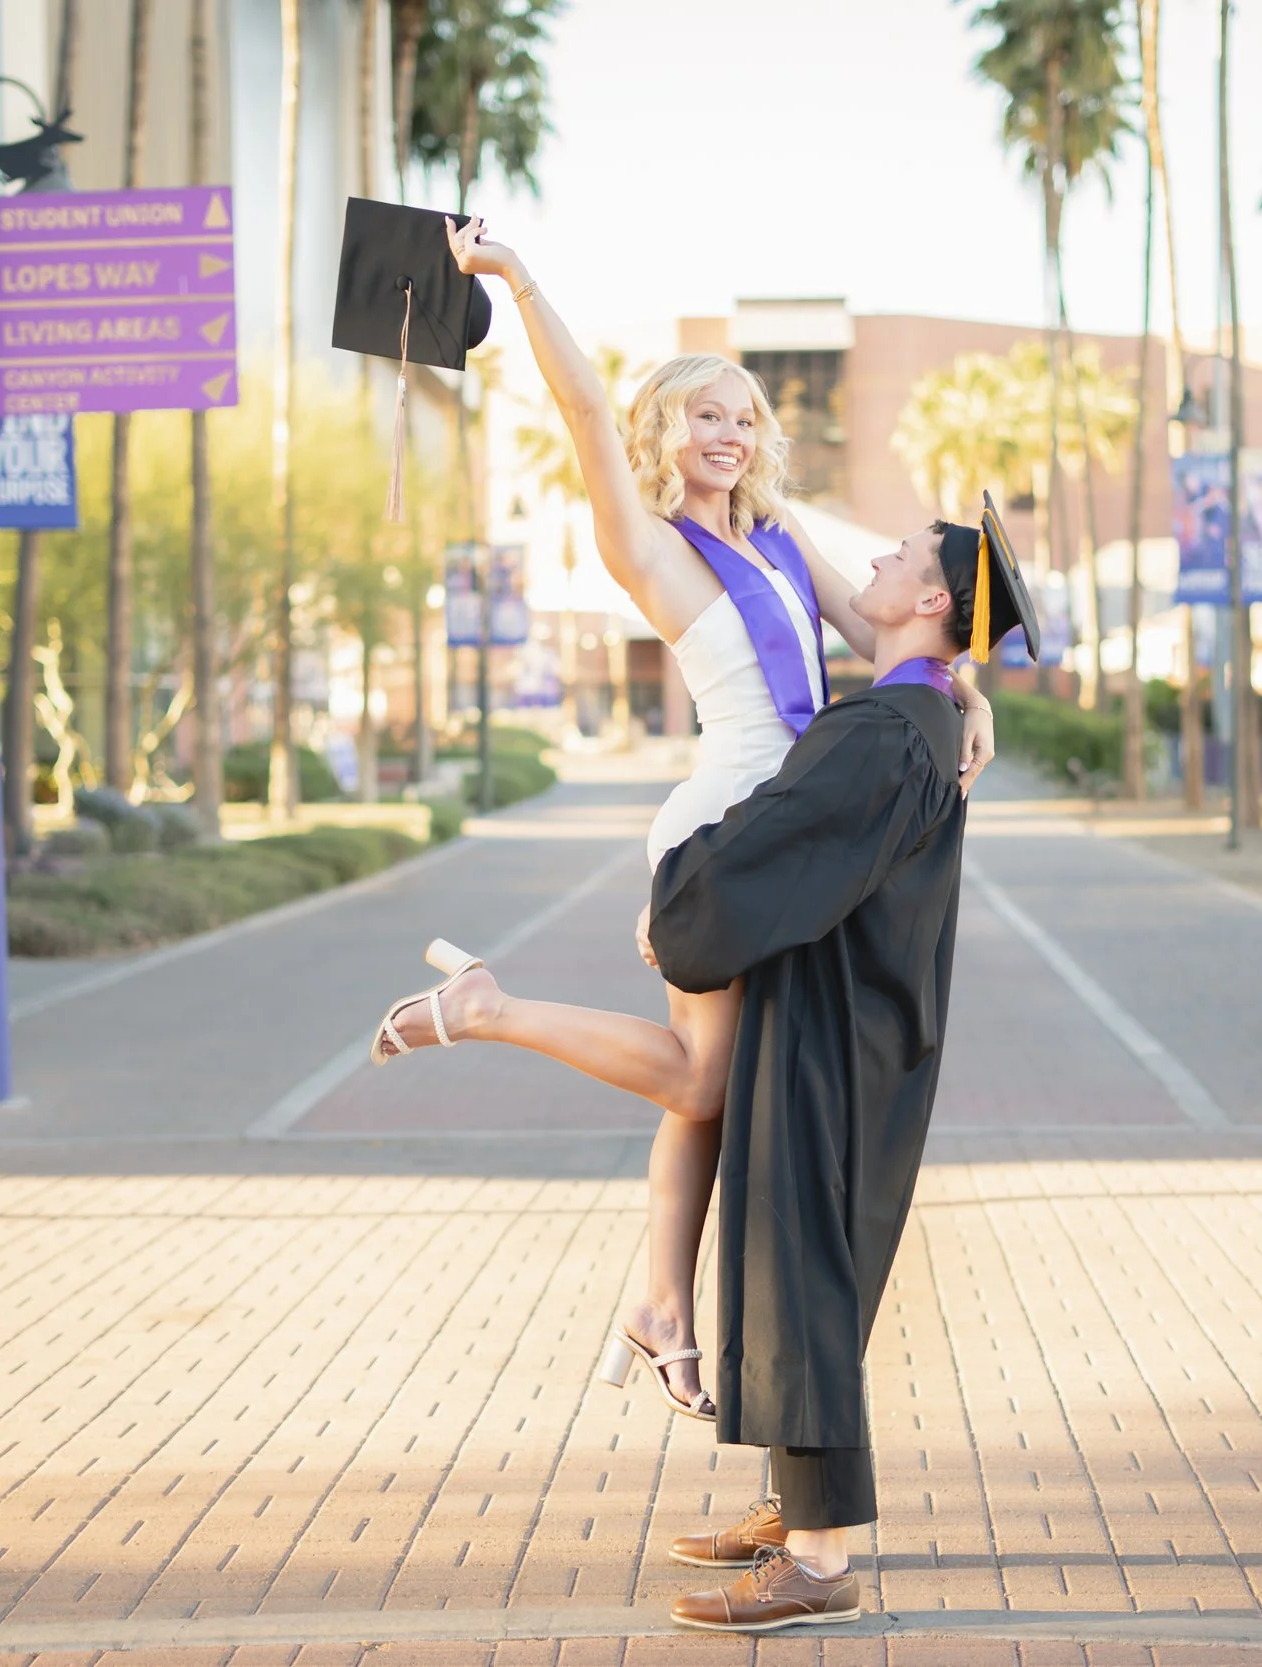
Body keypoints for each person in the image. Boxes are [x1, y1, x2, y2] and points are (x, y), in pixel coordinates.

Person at [367, 217, 997, 1424]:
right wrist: (517, 280)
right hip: (729, 830)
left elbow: (891, 642)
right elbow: (585, 416)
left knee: (708, 1081)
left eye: (745, 416)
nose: (730, 433)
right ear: (666, 428)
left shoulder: (778, 536)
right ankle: (487, 1011)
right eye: (705, 412)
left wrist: (970, 697)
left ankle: (661, 1299)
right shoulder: (644, 543)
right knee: (706, 1085)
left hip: (791, 828)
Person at [650, 498, 1039, 1632]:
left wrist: (673, 888)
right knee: (799, 1262)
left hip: (836, 1028)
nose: (872, 558)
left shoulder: (882, 733)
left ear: (929, 601)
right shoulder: (913, 714)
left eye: (903, 556)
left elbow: (773, 849)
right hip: (854, 1019)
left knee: (803, 1264)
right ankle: (794, 1503)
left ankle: (819, 1561)